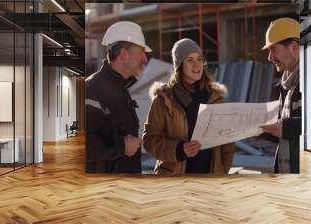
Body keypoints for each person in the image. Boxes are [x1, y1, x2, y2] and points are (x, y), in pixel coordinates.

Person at [143, 38, 235, 174]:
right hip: (175, 179)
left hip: (210, 179)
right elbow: (149, 141)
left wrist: (222, 170)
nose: (197, 65)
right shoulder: (164, 99)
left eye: (199, 59)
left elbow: (227, 142)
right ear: (179, 65)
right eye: (190, 60)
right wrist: (179, 149)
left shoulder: (214, 97)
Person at [85, 21, 151, 173]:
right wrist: (121, 146)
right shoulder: (93, 90)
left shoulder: (120, 88)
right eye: (142, 52)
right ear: (124, 54)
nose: (145, 59)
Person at [259, 18, 301, 173]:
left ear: (294, 48)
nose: (270, 57)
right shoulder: (287, 85)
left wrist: (284, 127)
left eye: (273, 49)